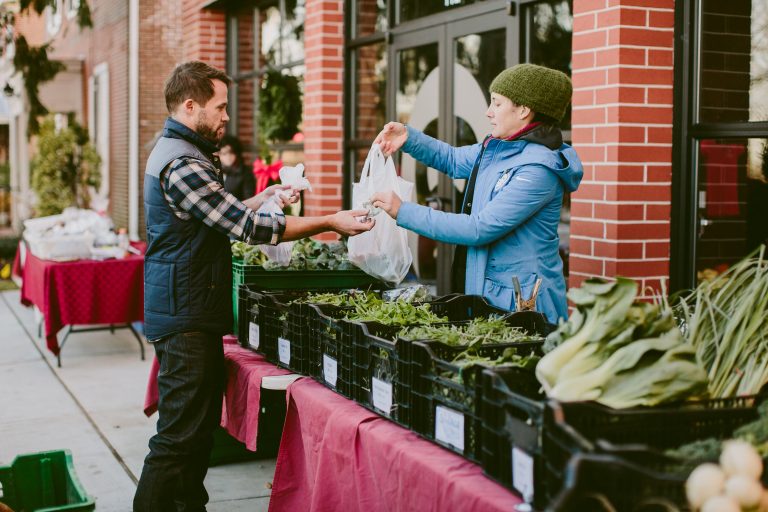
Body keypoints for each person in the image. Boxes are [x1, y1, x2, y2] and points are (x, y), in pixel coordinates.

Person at [134, 60, 373, 512]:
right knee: (177, 441)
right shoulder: (182, 161)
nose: (227, 117)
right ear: (190, 105)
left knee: (195, 436)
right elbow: (246, 228)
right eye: (220, 106)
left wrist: (264, 198)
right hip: (185, 315)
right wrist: (328, 220)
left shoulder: (182, 151)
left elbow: (213, 217)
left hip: (189, 308)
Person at [371, 63, 583, 324]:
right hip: (490, 294)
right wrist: (409, 138)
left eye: (496, 103)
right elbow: (452, 158)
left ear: (524, 110)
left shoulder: (539, 171)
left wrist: (403, 211)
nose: (488, 112)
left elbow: (479, 229)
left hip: (523, 304)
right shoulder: (499, 149)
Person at [218, 134, 256, 200]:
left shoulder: (245, 172)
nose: (228, 157)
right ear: (219, 155)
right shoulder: (215, 170)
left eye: (231, 153)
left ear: (237, 153)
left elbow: (249, 199)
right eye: (224, 154)